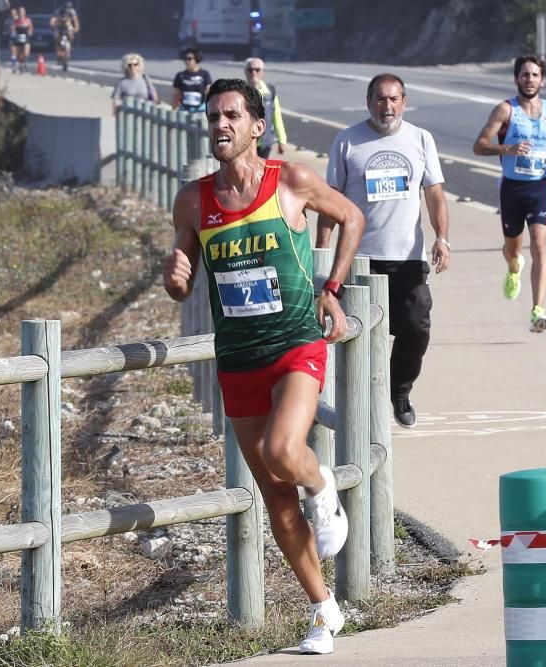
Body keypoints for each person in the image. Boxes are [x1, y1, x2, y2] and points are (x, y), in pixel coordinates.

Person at [162, 78, 365, 655]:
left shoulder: (291, 182)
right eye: (212, 117)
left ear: (256, 126)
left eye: (231, 115)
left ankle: (322, 482)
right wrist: (175, 280)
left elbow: (351, 217)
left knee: (284, 451)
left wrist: (332, 288)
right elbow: (182, 279)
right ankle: (324, 613)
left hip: (295, 345)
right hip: (239, 360)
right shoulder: (193, 201)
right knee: (275, 497)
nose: (219, 125)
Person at [317, 73, 450, 429]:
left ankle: (399, 391)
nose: (386, 106)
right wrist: (323, 252)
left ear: (404, 102)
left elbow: (435, 193)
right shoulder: (348, 142)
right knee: (353, 332)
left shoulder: (421, 139)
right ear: (368, 102)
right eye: (379, 99)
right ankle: (353, 403)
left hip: (407, 257)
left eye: (393, 99)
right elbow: (331, 201)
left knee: (416, 328)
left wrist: (442, 237)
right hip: (358, 259)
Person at [472, 55, 546, 333]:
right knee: (514, 251)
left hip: (541, 186)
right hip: (512, 188)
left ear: (542, 80)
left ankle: (538, 310)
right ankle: (514, 269)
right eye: (524, 75)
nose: (530, 80)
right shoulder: (505, 111)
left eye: (535, 75)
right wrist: (506, 149)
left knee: (539, 244)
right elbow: (479, 146)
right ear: (516, 79)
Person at [243, 57, 287, 158]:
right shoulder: (239, 91)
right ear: (245, 72)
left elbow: (276, 116)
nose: (254, 73)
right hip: (245, 143)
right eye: (250, 70)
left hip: (265, 142)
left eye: (257, 70)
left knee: (262, 172)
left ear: (262, 72)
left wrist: (282, 140)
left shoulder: (270, 91)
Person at [171, 48, 212, 114]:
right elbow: (176, 94)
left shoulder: (204, 74)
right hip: (184, 109)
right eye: (185, 59)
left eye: (189, 59)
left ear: (196, 59)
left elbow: (209, 92)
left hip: (200, 109)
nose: (186, 61)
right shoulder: (180, 75)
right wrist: (172, 109)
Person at [50, 0, 79, 71]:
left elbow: (76, 21)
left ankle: (70, 46)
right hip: (59, 27)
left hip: (68, 27)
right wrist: (53, 24)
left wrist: (75, 29)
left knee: (70, 33)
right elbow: (52, 20)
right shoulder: (59, 10)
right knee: (58, 38)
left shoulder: (72, 11)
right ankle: (59, 54)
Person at [9, 6, 32, 74]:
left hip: (26, 38)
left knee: (26, 53)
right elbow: (12, 28)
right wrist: (13, 30)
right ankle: (19, 65)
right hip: (18, 38)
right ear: (18, 13)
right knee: (18, 54)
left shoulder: (27, 20)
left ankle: (23, 62)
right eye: (20, 12)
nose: (21, 13)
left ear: (24, 13)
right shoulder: (16, 20)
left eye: (23, 12)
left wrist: (30, 32)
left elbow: (31, 28)